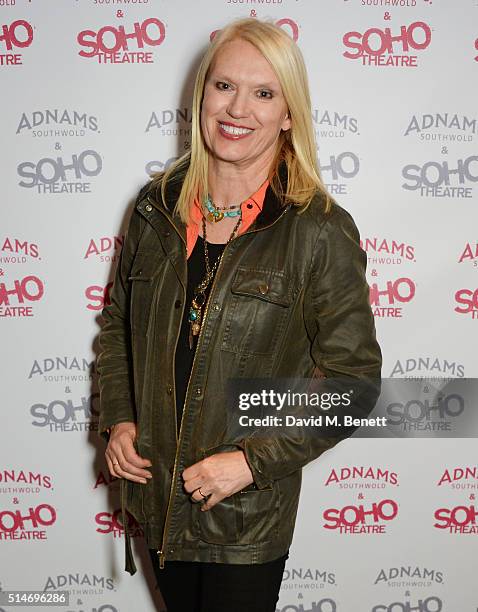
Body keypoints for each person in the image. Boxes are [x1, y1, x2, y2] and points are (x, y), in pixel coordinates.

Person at [96, 17, 382, 612]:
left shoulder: (318, 230)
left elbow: (352, 384)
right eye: (224, 86)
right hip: (158, 500)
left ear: (289, 115)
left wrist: (251, 462)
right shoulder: (156, 208)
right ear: (202, 93)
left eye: (263, 92)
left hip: (244, 519)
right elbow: (119, 326)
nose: (238, 109)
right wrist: (120, 419)